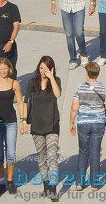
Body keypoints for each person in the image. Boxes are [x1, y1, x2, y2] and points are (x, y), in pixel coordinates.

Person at [69, 61, 106, 190]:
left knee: (83, 152)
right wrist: (103, 106)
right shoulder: (103, 87)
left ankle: (79, 182)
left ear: (87, 73)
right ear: (97, 73)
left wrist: (71, 122)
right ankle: (94, 183)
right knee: (95, 152)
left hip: (83, 123)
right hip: (98, 123)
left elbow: (74, 108)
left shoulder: (80, 87)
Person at [22, 56, 62, 201]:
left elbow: (58, 94)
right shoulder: (32, 83)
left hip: (52, 124)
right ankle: (45, 184)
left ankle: (53, 188)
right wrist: (24, 121)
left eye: (45, 68)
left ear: (51, 68)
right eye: (41, 68)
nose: (43, 71)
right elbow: (25, 103)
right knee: (42, 157)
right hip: (37, 124)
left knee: (52, 157)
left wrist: (51, 77)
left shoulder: (55, 81)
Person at [0, 57, 24, 194]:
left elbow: (20, 102)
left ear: (9, 69)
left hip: (10, 121)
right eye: (0, 68)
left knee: (11, 153)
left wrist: (23, 120)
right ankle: (1, 181)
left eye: (5, 68)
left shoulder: (14, 84)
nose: (3, 71)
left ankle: (10, 180)